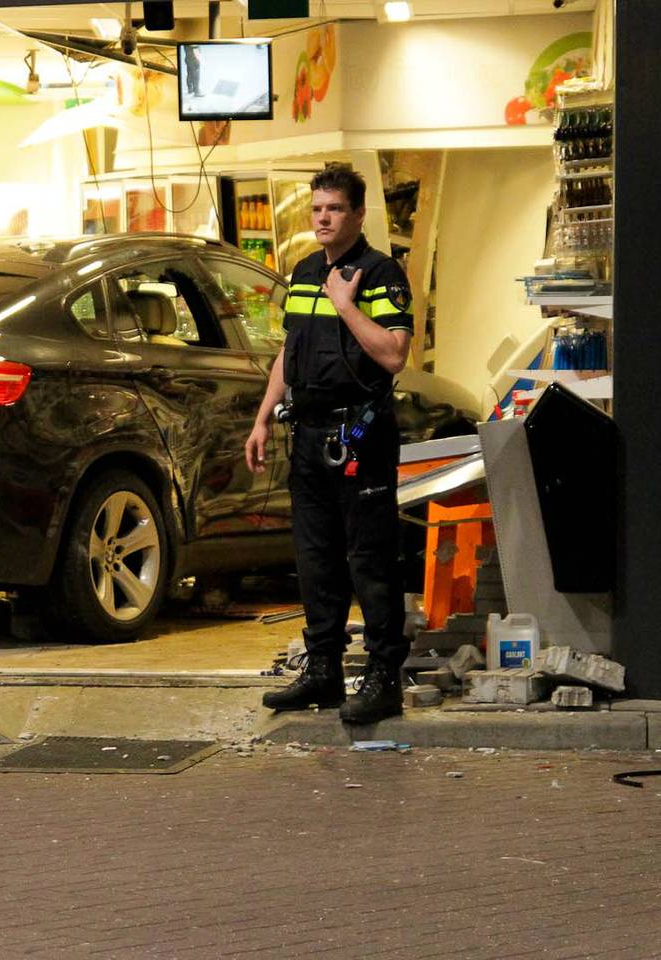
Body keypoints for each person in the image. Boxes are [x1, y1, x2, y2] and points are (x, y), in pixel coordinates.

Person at [245, 166, 414, 724]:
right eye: (317, 208)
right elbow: (291, 350)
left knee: (370, 561)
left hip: (359, 433)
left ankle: (384, 678)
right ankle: (323, 673)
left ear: (358, 215)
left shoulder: (382, 274)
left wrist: (346, 304)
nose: (322, 217)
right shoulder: (303, 271)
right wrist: (264, 416)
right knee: (315, 560)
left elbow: (393, 354)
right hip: (310, 435)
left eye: (334, 209)